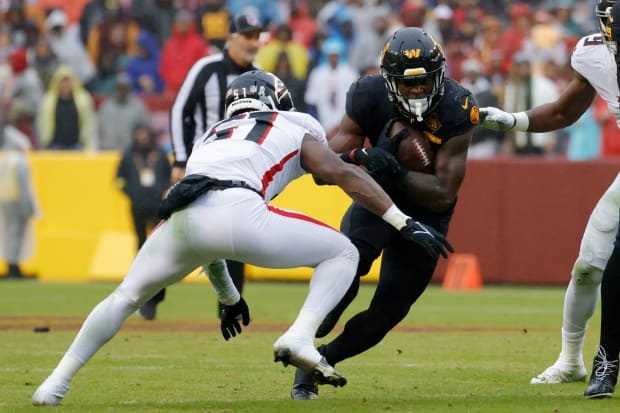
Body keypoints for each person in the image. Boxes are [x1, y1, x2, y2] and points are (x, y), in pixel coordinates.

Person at [31, 69, 452, 406]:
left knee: (123, 298)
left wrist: (230, 298)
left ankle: (54, 383)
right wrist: (401, 220)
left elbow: (208, 244)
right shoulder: (292, 121)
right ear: (275, 100)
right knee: (342, 253)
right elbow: (338, 173)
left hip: (182, 217)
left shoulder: (210, 136)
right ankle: (300, 335)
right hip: (240, 209)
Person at [289, 27, 478, 400]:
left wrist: (394, 168)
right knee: (346, 263)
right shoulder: (368, 93)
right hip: (377, 199)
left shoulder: (458, 106)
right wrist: (356, 158)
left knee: (389, 310)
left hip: (427, 214)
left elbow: (442, 193)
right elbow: (329, 160)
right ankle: (313, 330)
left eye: (424, 82)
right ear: (389, 81)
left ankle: (318, 361)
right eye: (408, 85)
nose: (417, 91)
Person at [479, 0, 620, 399]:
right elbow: (563, 112)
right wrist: (513, 120)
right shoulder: (594, 55)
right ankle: (571, 360)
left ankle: (605, 363)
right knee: (589, 267)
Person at [140, 11, 264, 320]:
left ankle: (230, 308)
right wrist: (181, 159)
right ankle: (150, 293)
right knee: (175, 228)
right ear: (231, 38)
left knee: (237, 235)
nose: (252, 43)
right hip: (202, 164)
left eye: (256, 36)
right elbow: (180, 109)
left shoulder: (261, 76)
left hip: (240, 169)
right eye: (247, 36)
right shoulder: (206, 69)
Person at [115, 123, 171, 284]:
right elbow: (118, 180)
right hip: (137, 205)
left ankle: (159, 272)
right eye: (139, 134)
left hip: (156, 204)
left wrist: (160, 189)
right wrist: (131, 193)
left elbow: (170, 176)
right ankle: (140, 274)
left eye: (144, 134)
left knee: (158, 240)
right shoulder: (128, 155)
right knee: (140, 239)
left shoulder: (160, 154)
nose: (142, 138)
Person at [0, 126, 37, 279]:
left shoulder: (5, 160)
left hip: (4, 202)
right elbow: (24, 188)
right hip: (17, 202)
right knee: (17, 235)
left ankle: (11, 265)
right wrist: (31, 208)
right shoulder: (20, 162)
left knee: (9, 234)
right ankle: (14, 267)